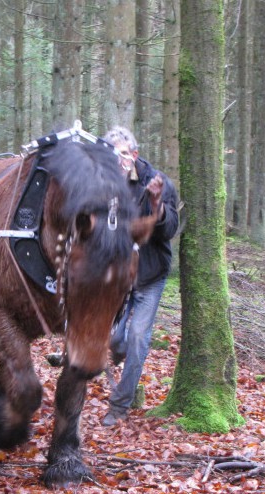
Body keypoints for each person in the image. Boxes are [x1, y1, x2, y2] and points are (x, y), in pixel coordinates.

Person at [101, 126, 181, 426]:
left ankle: (120, 404)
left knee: (137, 338)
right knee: (115, 340)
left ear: (133, 155)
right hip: (119, 277)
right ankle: (119, 354)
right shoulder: (104, 185)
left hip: (150, 274)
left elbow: (169, 230)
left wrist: (156, 206)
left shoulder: (156, 181)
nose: (117, 161)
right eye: (110, 155)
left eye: (122, 154)